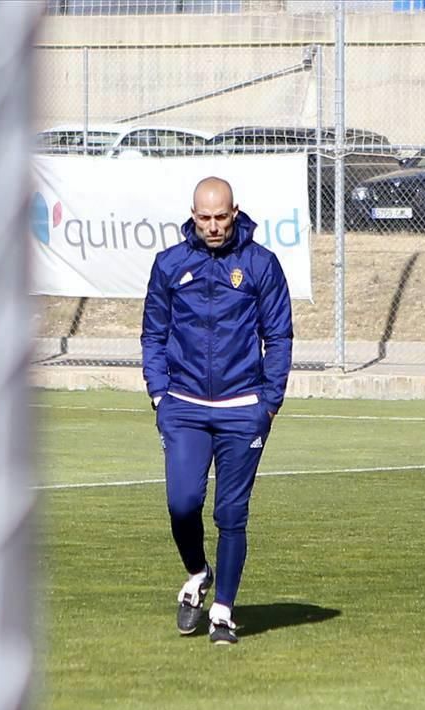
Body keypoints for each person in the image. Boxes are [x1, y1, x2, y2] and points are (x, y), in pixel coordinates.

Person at [141, 176, 293, 645]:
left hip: (242, 408)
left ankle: (223, 611)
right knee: (182, 503)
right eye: (204, 217)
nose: (213, 226)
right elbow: (153, 334)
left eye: (221, 217)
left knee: (231, 512)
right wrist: (160, 395)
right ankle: (196, 572)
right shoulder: (169, 264)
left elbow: (280, 336)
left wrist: (268, 402)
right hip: (183, 406)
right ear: (192, 214)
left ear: (235, 212)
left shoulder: (261, 265)